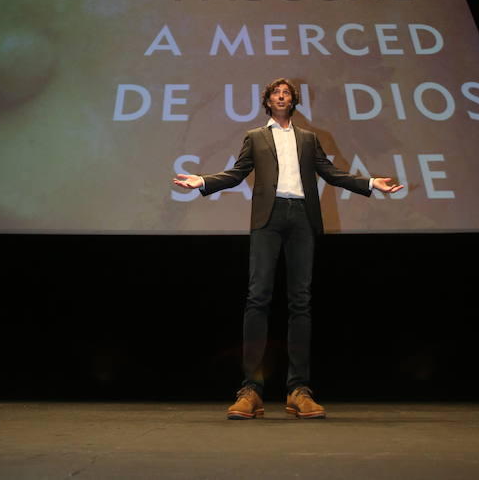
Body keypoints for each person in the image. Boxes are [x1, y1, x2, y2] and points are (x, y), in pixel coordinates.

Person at [173, 77, 403, 420]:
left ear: (293, 102)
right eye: (276, 93)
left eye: (287, 93)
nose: (282, 96)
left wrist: (370, 183)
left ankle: (299, 389)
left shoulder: (309, 139)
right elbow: (237, 174)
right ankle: (250, 389)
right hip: (269, 217)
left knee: (301, 301)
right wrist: (203, 181)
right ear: (267, 101)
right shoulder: (255, 137)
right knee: (258, 297)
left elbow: (332, 173)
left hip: (302, 219)